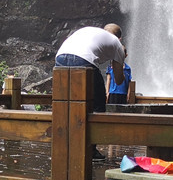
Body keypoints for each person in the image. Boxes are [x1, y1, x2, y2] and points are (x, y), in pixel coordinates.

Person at [54, 23, 126, 160]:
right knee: (97, 105)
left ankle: (63, 146)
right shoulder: (117, 44)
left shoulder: (89, 31)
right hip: (84, 60)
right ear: (120, 38)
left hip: (60, 57)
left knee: (65, 103)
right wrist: (120, 60)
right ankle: (91, 150)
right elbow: (118, 80)